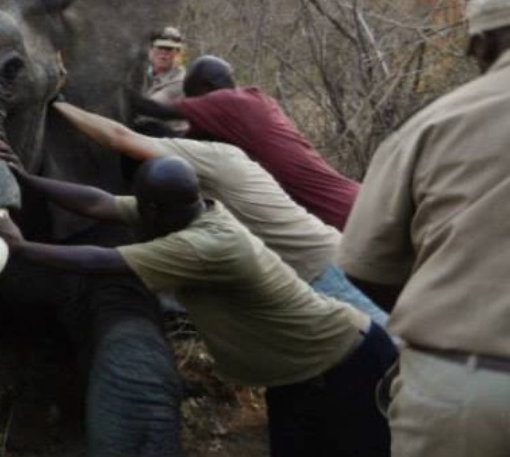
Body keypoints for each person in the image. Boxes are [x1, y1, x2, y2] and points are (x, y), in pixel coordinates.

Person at [0, 153, 399, 457]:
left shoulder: (204, 244)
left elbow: (100, 262)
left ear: (157, 210)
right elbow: (99, 203)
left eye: (145, 207)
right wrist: (29, 179)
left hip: (346, 361)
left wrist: (22, 247)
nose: (138, 212)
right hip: (297, 375)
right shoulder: (182, 213)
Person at [339, 0, 510, 457]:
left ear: (481, 46)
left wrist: (442, 313)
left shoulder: (433, 123)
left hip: (458, 381)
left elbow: (364, 265)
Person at [50, 102, 387, 329]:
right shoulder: (217, 171)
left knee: (391, 359)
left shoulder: (204, 161)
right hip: (316, 267)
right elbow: (104, 205)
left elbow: (120, 138)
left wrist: (59, 101)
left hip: (325, 270)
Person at [129, 55, 360, 230]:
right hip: (348, 204)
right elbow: (181, 147)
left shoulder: (232, 102)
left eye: (193, 96)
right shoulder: (240, 115)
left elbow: (152, 109)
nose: (193, 103)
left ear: (208, 89)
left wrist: (115, 87)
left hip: (341, 211)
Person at [140, 26, 189, 134]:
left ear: (178, 53)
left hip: (171, 137)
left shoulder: (180, 81)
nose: (163, 53)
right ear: (151, 50)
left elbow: (147, 109)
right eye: (160, 47)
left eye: (169, 49)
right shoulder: (142, 73)